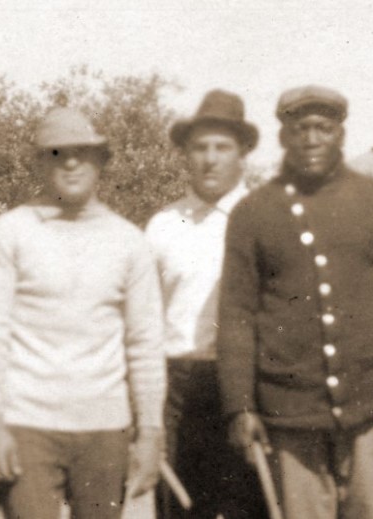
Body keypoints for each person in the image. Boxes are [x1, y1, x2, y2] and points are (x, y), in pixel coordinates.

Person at [217, 85, 373, 519]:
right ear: (283, 137)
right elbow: (237, 316)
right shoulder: (253, 214)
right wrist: (240, 406)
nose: (312, 139)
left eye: (323, 128)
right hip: (289, 419)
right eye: (300, 129)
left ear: (341, 134)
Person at [0, 106, 166, 519]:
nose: (73, 162)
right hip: (27, 424)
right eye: (57, 153)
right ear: (40, 163)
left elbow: (146, 345)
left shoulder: (129, 241)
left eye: (83, 152)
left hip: (104, 428)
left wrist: (150, 432)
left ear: (101, 161)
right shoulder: (10, 232)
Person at [145, 89, 266, 519]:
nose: (210, 159)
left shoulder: (266, 217)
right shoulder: (162, 226)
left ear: (243, 153)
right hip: (179, 386)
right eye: (199, 148)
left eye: (222, 147)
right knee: (181, 507)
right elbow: (145, 320)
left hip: (250, 385)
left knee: (250, 505)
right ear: (185, 154)